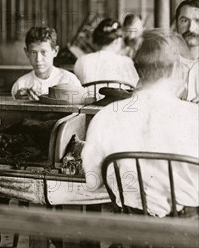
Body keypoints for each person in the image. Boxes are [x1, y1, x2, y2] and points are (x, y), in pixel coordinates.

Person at [82, 29, 199, 218]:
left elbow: (92, 182)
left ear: (137, 68)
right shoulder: (195, 116)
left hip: (134, 230)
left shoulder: (106, 116)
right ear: (178, 68)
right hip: (189, 233)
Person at [11, 26, 81, 100]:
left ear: (55, 51)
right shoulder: (21, 85)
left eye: (43, 52)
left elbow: (80, 109)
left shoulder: (69, 80)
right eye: (33, 52)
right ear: (27, 53)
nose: (38, 59)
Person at [74, 18, 139, 88]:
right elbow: (135, 86)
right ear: (118, 40)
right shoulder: (127, 62)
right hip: (120, 99)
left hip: (92, 98)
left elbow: (78, 87)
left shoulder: (83, 60)